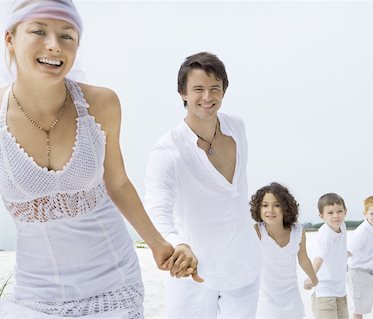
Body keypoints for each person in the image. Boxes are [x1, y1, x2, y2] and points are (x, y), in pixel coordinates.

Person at [0, 1, 176, 318]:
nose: (54, 46)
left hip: (114, 285)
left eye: (67, 35)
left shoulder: (101, 103)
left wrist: (159, 244)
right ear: (10, 39)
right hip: (33, 294)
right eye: (38, 31)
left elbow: (118, 182)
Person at [143, 52, 261, 318]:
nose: (207, 97)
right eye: (198, 89)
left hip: (244, 268)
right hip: (193, 273)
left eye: (214, 89)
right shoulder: (167, 150)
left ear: (224, 91)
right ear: (182, 93)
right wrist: (176, 244)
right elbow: (156, 209)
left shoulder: (237, 127)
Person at [249, 182, 318, 319]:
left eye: (277, 205)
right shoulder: (256, 231)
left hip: (292, 299)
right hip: (265, 302)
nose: (270, 210)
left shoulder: (298, 231)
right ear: (258, 208)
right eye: (265, 205)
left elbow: (303, 259)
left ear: (286, 207)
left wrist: (314, 279)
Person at [309, 193, 349, 319]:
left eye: (339, 211)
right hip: (325, 293)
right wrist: (311, 277)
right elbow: (319, 257)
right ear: (322, 215)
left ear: (345, 211)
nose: (336, 216)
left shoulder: (342, 226)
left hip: (341, 290)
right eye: (330, 213)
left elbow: (339, 247)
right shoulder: (324, 235)